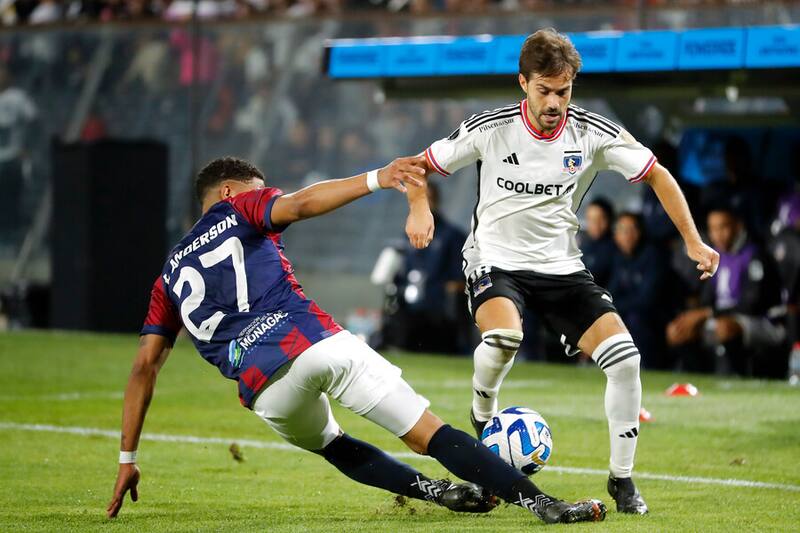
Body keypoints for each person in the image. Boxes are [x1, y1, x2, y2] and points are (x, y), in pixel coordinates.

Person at [106, 156, 607, 524]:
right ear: (231, 191)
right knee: (426, 432)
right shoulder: (241, 209)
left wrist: (128, 459)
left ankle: (440, 494)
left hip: (264, 390)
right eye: (264, 191)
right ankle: (546, 506)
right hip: (313, 342)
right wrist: (377, 178)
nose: (271, 198)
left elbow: (144, 368)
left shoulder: (167, 277)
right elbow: (300, 205)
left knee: (333, 444)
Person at [403, 28, 720, 515]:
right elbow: (418, 167)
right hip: (495, 259)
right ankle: (483, 412)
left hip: (562, 267)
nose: (555, 102)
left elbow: (657, 173)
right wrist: (420, 208)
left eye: (564, 91)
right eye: (544, 90)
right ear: (522, 83)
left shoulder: (594, 133)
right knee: (504, 339)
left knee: (626, 359)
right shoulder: (491, 128)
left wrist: (693, 239)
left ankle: (622, 480)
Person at [667, 205, 786, 377]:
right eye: (713, 229)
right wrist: (694, 317)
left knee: (725, 328)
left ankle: (740, 377)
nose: (717, 234)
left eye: (723, 227)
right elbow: (707, 299)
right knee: (676, 330)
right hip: (721, 318)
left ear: (737, 226)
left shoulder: (754, 254)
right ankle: (701, 380)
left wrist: (706, 313)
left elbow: (752, 304)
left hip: (764, 322)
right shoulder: (716, 257)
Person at [373, 183, 469, 354]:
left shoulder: (452, 236)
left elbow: (459, 279)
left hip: (438, 313)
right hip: (408, 310)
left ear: (436, 201)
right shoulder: (407, 235)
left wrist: (449, 302)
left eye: (427, 199)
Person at [607, 213, 670, 370]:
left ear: (640, 232)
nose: (627, 235)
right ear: (615, 235)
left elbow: (647, 300)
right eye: (622, 230)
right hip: (630, 311)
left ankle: (645, 368)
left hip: (658, 315)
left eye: (631, 229)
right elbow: (612, 293)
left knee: (635, 319)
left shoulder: (653, 256)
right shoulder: (619, 258)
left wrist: (617, 308)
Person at [578, 198, 616, 288]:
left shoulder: (617, 248)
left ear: (610, 219)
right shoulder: (584, 245)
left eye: (600, 218)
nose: (595, 224)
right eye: (590, 219)